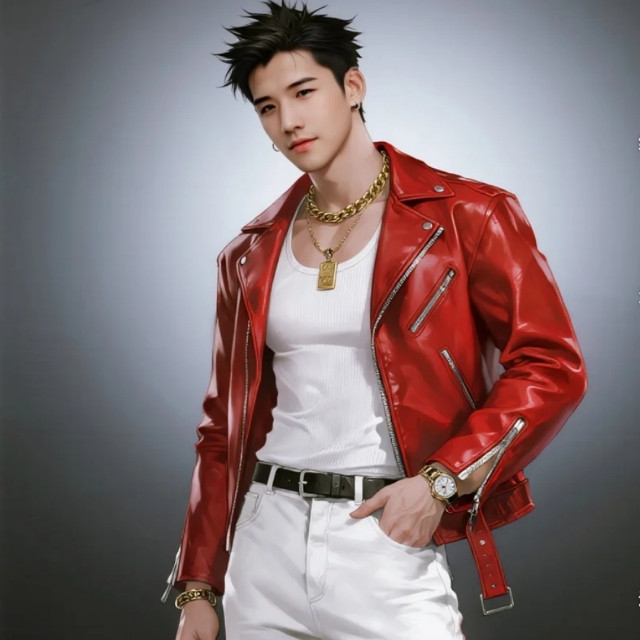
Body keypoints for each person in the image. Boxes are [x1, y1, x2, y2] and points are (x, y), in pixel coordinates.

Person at [162, 2, 587, 638]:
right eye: (267, 106)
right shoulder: (247, 254)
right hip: (265, 543)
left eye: (304, 92)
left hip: (383, 535)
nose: (288, 120)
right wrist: (198, 583)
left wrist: (440, 481)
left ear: (353, 86)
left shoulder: (468, 216)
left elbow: (552, 367)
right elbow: (222, 427)